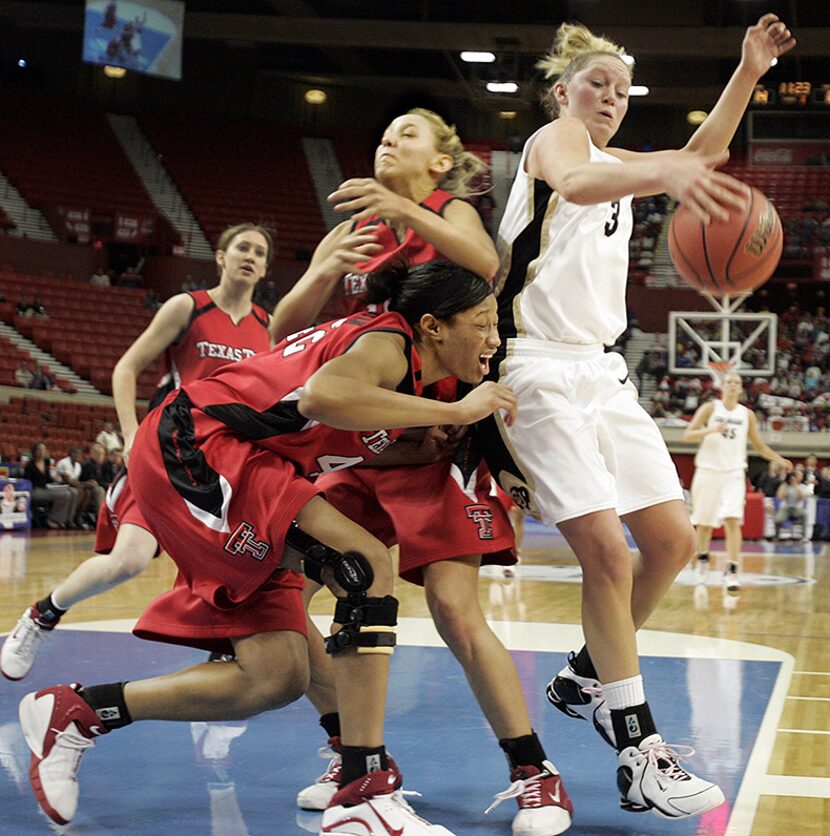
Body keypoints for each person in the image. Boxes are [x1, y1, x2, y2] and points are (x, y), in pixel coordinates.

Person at [18, 260, 516, 835]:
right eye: (482, 324)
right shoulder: (389, 343)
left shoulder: (401, 380)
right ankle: (362, 788)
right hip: (199, 444)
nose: (493, 339)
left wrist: (424, 443)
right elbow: (322, 397)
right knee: (364, 565)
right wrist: (453, 412)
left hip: (239, 461)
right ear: (433, 326)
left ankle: (78, 712)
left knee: (274, 675)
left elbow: (328, 432)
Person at [475, 12, 794, 821]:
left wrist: (750, 70)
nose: (611, 98)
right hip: (536, 367)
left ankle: (585, 678)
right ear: (562, 90)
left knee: (673, 540)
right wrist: (670, 173)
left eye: (622, 90)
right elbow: (584, 184)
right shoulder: (554, 143)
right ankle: (640, 751)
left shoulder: (622, 160)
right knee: (607, 558)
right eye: (597, 85)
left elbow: (706, 154)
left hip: (602, 372)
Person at [274, 109, 571, 833]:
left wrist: (405, 209)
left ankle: (536, 774)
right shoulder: (359, 235)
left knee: (454, 612)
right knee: (281, 595)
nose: (387, 141)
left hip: (443, 438)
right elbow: (285, 336)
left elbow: (487, 266)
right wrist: (321, 270)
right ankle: (357, 757)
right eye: (382, 133)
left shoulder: (450, 210)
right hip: (369, 441)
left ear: (442, 162)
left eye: (406, 134)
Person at [0, 224, 274, 683]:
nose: (250, 255)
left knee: (239, 563)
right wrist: (130, 434)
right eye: (241, 247)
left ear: (265, 268)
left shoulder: (268, 327)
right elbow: (126, 367)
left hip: (225, 465)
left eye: (260, 252)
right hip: (170, 452)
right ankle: (42, 615)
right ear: (221, 258)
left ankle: (222, 652)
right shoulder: (187, 307)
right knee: (129, 560)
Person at [684, 372, 792, 590]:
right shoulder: (710, 408)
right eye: (729, 382)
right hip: (708, 470)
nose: (732, 385)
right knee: (704, 524)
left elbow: (759, 446)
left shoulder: (747, 414)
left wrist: (779, 459)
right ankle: (703, 559)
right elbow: (688, 435)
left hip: (734, 471)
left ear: (741, 389)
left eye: (736, 383)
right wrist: (711, 429)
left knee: (733, 519)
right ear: (722, 387)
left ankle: (732, 571)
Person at [23, 442, 77, 530]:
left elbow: (48, 479)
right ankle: (53, 519)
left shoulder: (46, 462)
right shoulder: (30, 465)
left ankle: (68, 519)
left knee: (73, 492)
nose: (41, 452)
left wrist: (56, 480)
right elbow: (27, 481)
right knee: (65, 494)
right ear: (34, 451)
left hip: (46, 488)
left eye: (43, 450)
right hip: (35, 490)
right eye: (39, 450)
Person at [774, 471, 808, 540]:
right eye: (791, 479)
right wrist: (784, 484)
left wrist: (795, 485)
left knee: (805, 515)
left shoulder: (802, 486)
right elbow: (780, 496)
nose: (792, 480)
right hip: (786, 508)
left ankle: (804, 536)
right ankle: (776, 536)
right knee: (777, 519)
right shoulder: (785, 486)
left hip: (797, 508)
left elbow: (802, 497)